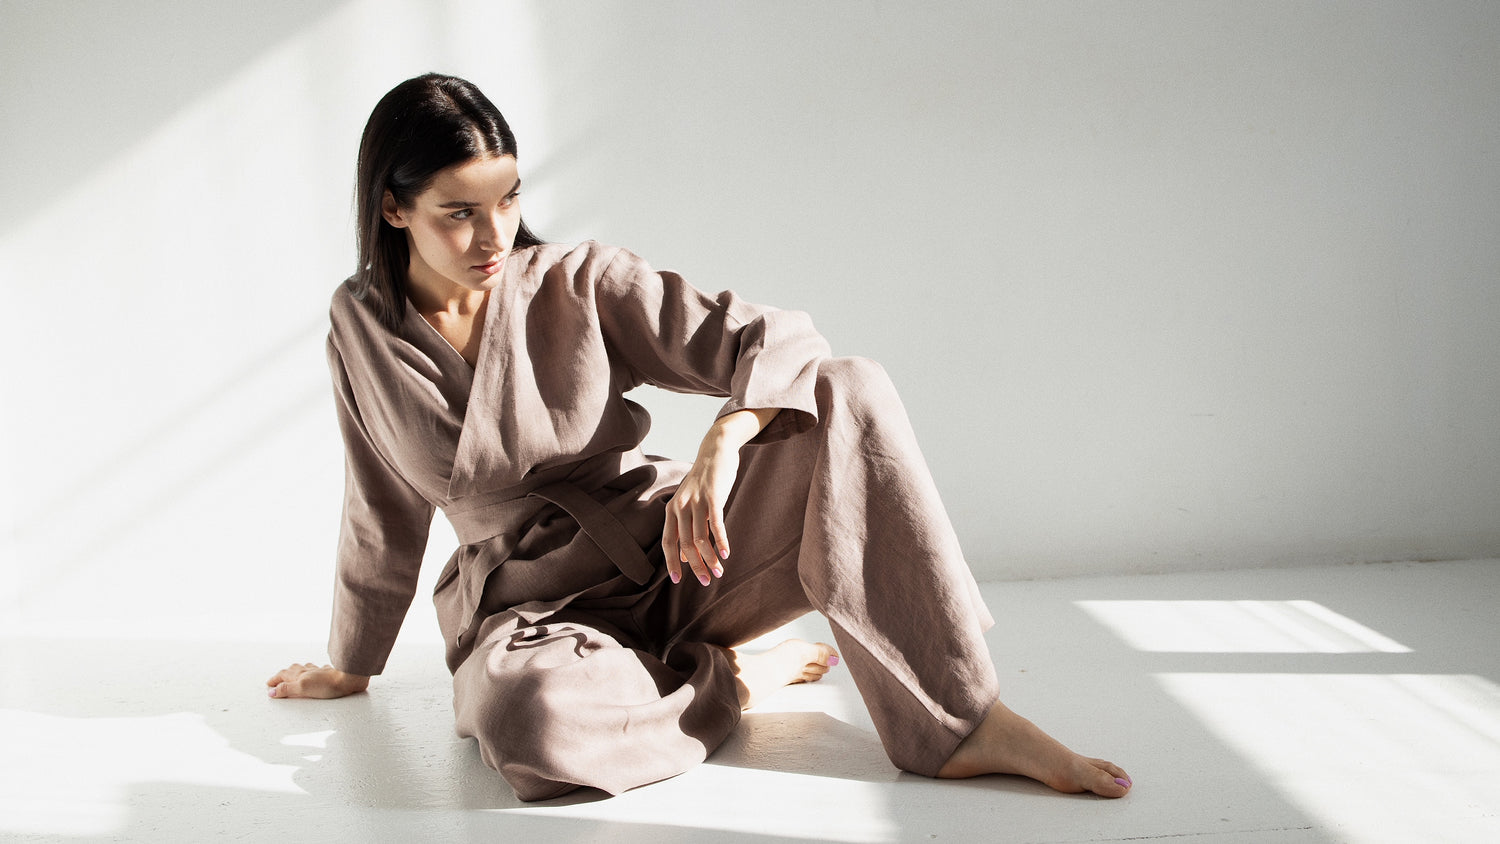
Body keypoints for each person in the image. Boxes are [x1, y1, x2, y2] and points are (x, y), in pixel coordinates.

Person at [267, 72, 1131, 802]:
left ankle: (961, 719)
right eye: (460, 212)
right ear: (393, 207)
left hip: (686, 555)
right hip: (534, 611)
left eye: (510, 198)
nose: (495, 235)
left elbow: (779, 337)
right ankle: (729, 679)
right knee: (525, 723)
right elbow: (379, 502)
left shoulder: (579, 281)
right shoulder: (359, 324)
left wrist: (727, 439)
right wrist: (353, 663)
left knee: (849, 388)